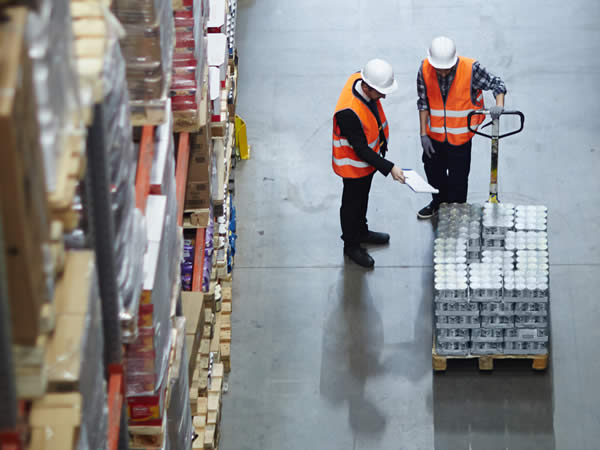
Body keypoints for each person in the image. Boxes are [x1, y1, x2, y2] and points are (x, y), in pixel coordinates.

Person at [416, 36, 507, 219]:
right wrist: (423, 134)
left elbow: (498, 85)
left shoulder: (471, 69)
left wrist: (499, 105)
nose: (442, 73)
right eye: (438, 70)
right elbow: (423, 103)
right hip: (434, 137)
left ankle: (456, 213)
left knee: (458, 181)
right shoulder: (425, 70)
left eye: (446, 69)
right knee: (434, 174)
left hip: (460, 139)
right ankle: (438, 203)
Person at [333, 59, 406, 268]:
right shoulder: (348, 112)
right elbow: (361, 149)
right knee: (351, 205)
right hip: (354, 166)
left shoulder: (360, 77)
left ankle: (361, 231)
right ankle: (351, 245)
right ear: (366, 87)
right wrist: (390, 167)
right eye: (380, 92)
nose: (383, 96)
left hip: (368, 164)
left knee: (362, 200)